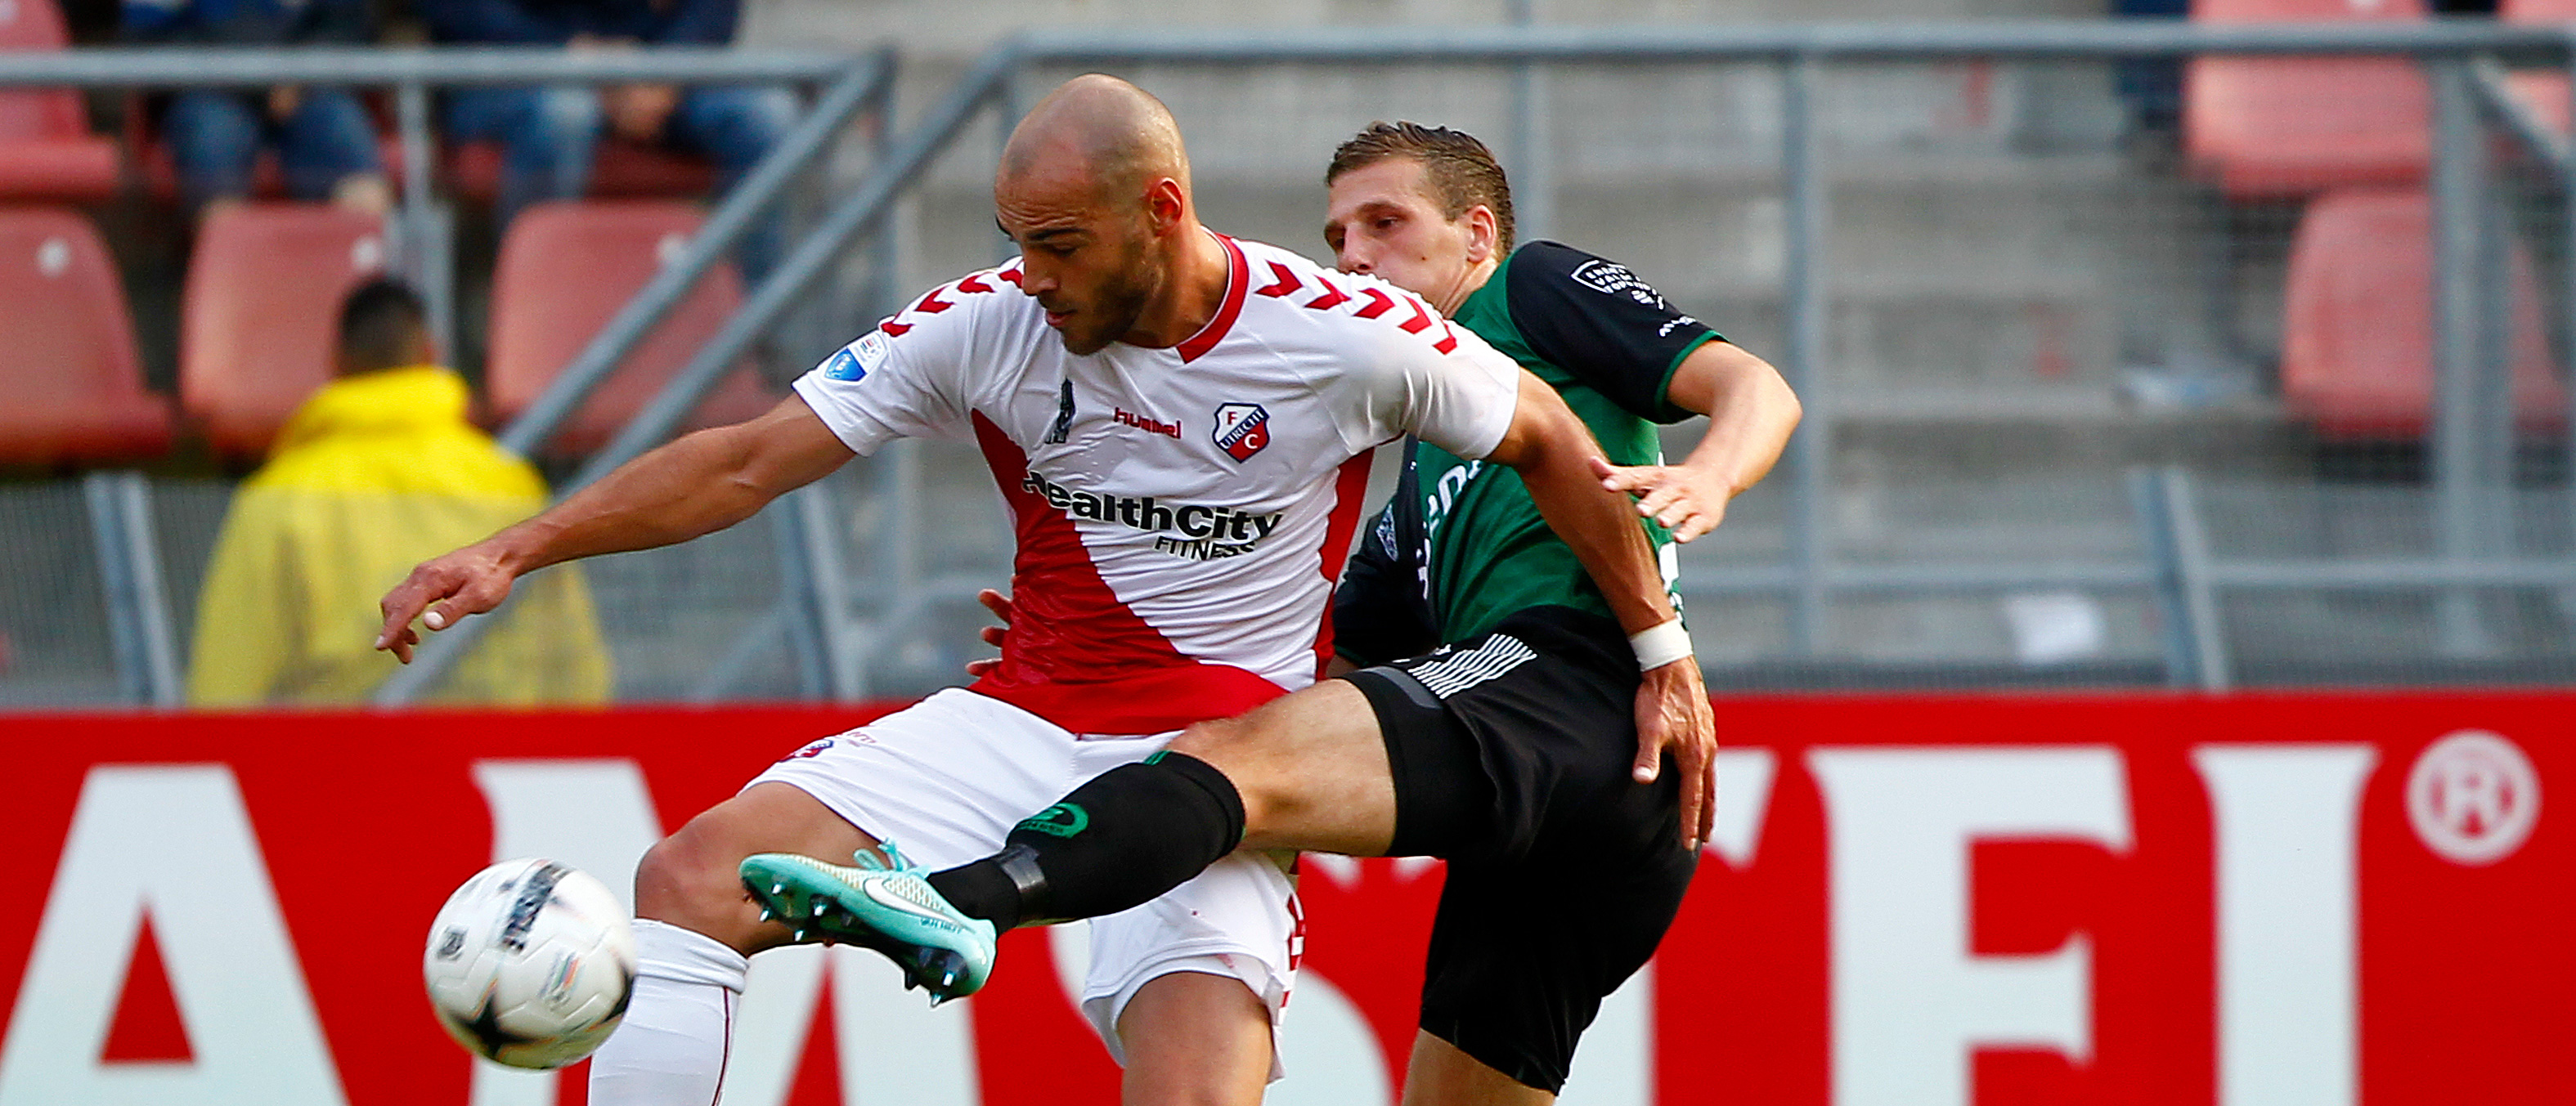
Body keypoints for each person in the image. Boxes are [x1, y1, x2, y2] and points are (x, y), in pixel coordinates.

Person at [373, 77, 1696, 1106]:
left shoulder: (1333, 331)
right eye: (1016, 240)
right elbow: (744, 458)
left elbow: (1545, 437)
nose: (1035, 275)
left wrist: (1655, 643)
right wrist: (520, 545)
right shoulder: (988, 322)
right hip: (1021, 714)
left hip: (1217, 759)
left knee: (1193, 1081)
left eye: (1060, 242)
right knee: (690, 872)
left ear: (1162, 211)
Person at [743, 121, 1799, 1103]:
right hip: (1595, 809)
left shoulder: (1528, 290)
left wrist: (1708, 478)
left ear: (1473, 232)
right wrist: (1074, 642)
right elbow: (1314, 666)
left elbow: (1755, 385)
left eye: (1387, 224)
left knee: (1224, 760)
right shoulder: (1410, 509)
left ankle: (962, 900)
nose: (1354, 257)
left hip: (1571, 685)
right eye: (1338, 235)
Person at [189, 280, 608, 706]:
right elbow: (571, 664)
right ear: (430, 354)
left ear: (336, 363)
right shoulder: (509, 481)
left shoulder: (278, 496)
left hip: (344, 761)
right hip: (494, 751)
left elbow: (227, 681)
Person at [418, 0, 797, 281]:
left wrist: (660, 72)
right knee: (567, 112)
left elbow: (713, 11)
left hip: (657, 74)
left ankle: (754, 341)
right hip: (514, 67)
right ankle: (538, 324)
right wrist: (572, 54)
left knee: (768, 116)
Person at [123, 0, 393, 219]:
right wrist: (255, 80)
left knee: (344, 133)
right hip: (210, 91)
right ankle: (237, 277)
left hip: (306, 89)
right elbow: (147, 43)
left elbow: (351, 29)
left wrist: (300, 74)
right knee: (213, 137)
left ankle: (361, 272)